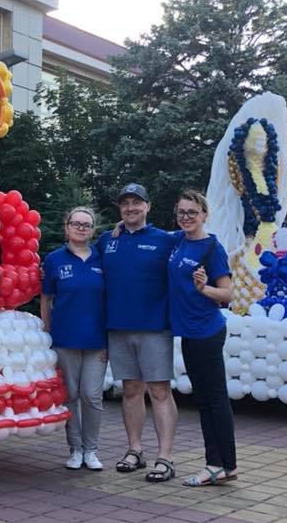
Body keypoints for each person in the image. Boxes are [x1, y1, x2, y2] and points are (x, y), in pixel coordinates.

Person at [97, 184, 179, 483]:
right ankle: (135, 450)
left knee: (159, 391)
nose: (130, 208)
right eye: (125, 204)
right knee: (130, 390)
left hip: (155, 328)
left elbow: (198, 241)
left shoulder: (166, 239)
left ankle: (165, 457)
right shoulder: (107, 240)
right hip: (118, 327)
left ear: (148, 206)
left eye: (136, 202)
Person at [168, 190, 236, 486]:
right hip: (190, 332)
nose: (186, 217)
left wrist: (204, 289)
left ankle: (218, 464)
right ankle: (223, 465)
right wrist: (121, 226)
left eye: (192, 212)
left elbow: (227, 294)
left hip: (206, 332)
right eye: (181, 212)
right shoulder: (179, 241)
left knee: (213, 400)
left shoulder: (212, 249)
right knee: (206, 399)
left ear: (204, 215)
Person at [41, 207, 106, 471]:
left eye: (86, 224)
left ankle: (91, 450)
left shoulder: (102, 258)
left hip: (97, 340)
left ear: (92, 230)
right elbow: (46, 298)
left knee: (92, 396)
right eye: (76, 223)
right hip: (64, 338)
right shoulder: (54, 260)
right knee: (70, 395)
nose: (81, 228)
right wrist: (46, 333)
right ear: (66, 227)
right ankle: (75, 449)